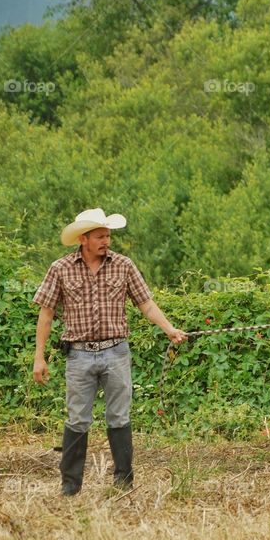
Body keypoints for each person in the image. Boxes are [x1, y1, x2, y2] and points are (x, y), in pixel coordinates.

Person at [32, 208, 187, 496]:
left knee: (119, 417)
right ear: (83, 239)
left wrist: (170, 329)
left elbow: (146, 304)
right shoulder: (60, 269)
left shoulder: (124, 265)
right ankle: (70, 487)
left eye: (108, 236)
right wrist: (39, 357)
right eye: (100, 236)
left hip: (116, 352)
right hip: (78, 355)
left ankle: (123, 482)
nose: (106, 241)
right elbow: (47, 313)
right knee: (77, 419)